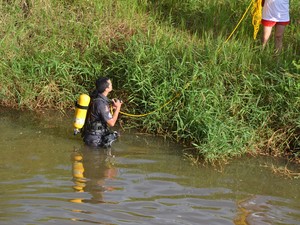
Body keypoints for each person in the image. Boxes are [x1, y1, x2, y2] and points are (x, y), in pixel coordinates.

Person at [82, 77, 122, 148]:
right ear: (106, 89)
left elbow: (97, 112)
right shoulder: (101, 104)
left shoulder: (96, 98)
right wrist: (118, 108)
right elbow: (112, 123)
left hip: (91, 136)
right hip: (95, 140)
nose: (111, 84)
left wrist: (111, 108)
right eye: (110, 83)